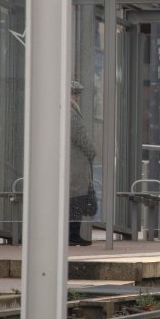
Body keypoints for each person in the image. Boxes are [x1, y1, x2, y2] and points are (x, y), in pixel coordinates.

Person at [68, 80, 96, 246]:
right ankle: (73, 234)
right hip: (75, 163)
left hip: (72, 162)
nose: (77, 97)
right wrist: (92, 151)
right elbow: (81, 136)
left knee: (73, 198)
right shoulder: (71, 112)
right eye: (75, 93)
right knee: (76, 198)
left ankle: (72, 234)